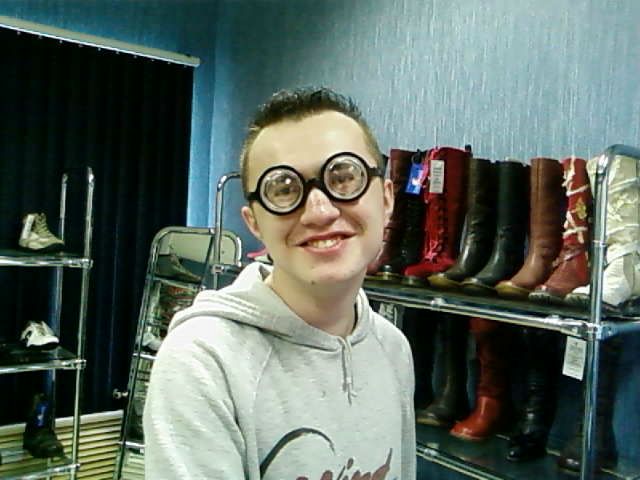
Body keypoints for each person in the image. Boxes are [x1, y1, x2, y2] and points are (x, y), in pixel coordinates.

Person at [144, 87, 417, 479]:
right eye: (284, 189)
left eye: (344, 177)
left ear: (387, 199)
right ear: (254, 222)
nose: (319, 211)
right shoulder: (202, 361)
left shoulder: (393, 349)